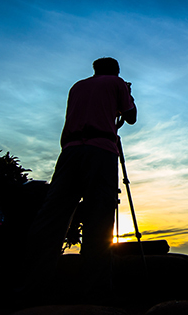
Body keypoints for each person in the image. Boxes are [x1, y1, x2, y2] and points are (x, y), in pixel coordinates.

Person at [23, 57, 137, 302]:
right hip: (101, 150)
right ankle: (96, 292)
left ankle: (32, 286)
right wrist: (127, 94)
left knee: (52, 217)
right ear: (116, 71)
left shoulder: (77, 86)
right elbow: (131, 117)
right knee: (99, 218)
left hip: (70, 151)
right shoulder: (116, 84)